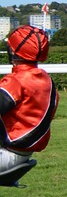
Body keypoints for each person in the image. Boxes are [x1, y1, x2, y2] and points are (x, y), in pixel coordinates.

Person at [1, 25, 59, 176]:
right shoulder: (46, 80)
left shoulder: (16, 81)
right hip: (23, 153)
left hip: (7, 152)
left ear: (13, 52)